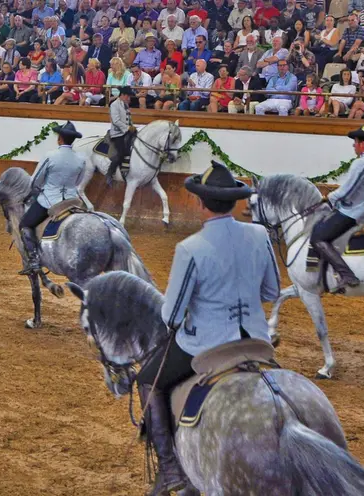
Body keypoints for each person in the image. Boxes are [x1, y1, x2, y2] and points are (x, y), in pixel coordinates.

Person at [136, 161, 280, 496]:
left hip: (207, 344)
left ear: (200, 204)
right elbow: (271, 292)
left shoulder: (191, 248)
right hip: (256, 340)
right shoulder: (260, 235)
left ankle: (170, 469)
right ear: (235, 202)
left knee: (147, 381)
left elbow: (171, 315)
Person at [310, 125, 364, 293]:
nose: (354, 145)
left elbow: (347, 190)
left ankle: (346, 275)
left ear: (362, 144)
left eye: (356, 142)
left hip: (354, 211)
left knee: (318, 238)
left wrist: (328, 198)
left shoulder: (361, 163)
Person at [19, 121, 87, 275]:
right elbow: (78, 181)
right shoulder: (81, 159)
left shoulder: (50, 156)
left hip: (51, 200)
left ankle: (34, 261)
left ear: (60, 139)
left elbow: (35, 181)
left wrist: (41, 188)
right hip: (72, 201)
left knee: (25, 224)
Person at [106, 86, 133, 185]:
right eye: (128, 96)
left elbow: (129, 119)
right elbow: (116, 121)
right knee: (120, 153)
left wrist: (132, 127)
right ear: (122, 95)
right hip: (117, 134)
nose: (129, 98)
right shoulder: (114, 105)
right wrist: (127, 128)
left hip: (126, 131)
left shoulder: (125, 105)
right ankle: (110, 173)